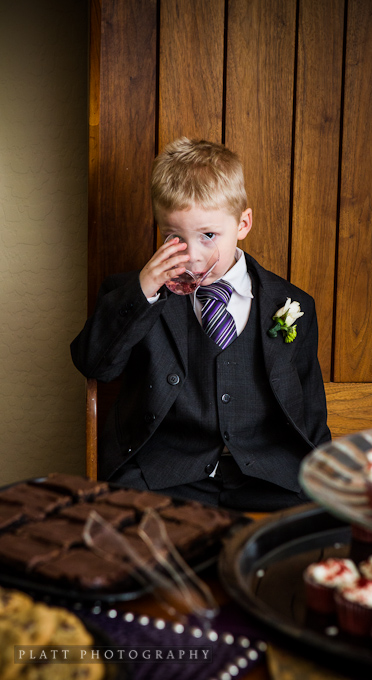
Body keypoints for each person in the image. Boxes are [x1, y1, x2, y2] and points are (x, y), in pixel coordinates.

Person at [71, 137, 330, 511]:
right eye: (174, 237)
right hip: (164, 477)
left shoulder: (292, 304)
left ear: (243, 224)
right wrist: (143, 291)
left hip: (267, 476)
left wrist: (327, 481)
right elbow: (93, 365)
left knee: (314, 531)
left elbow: (310, 411)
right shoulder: (132, 293)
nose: (192, 256)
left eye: (208, 235)